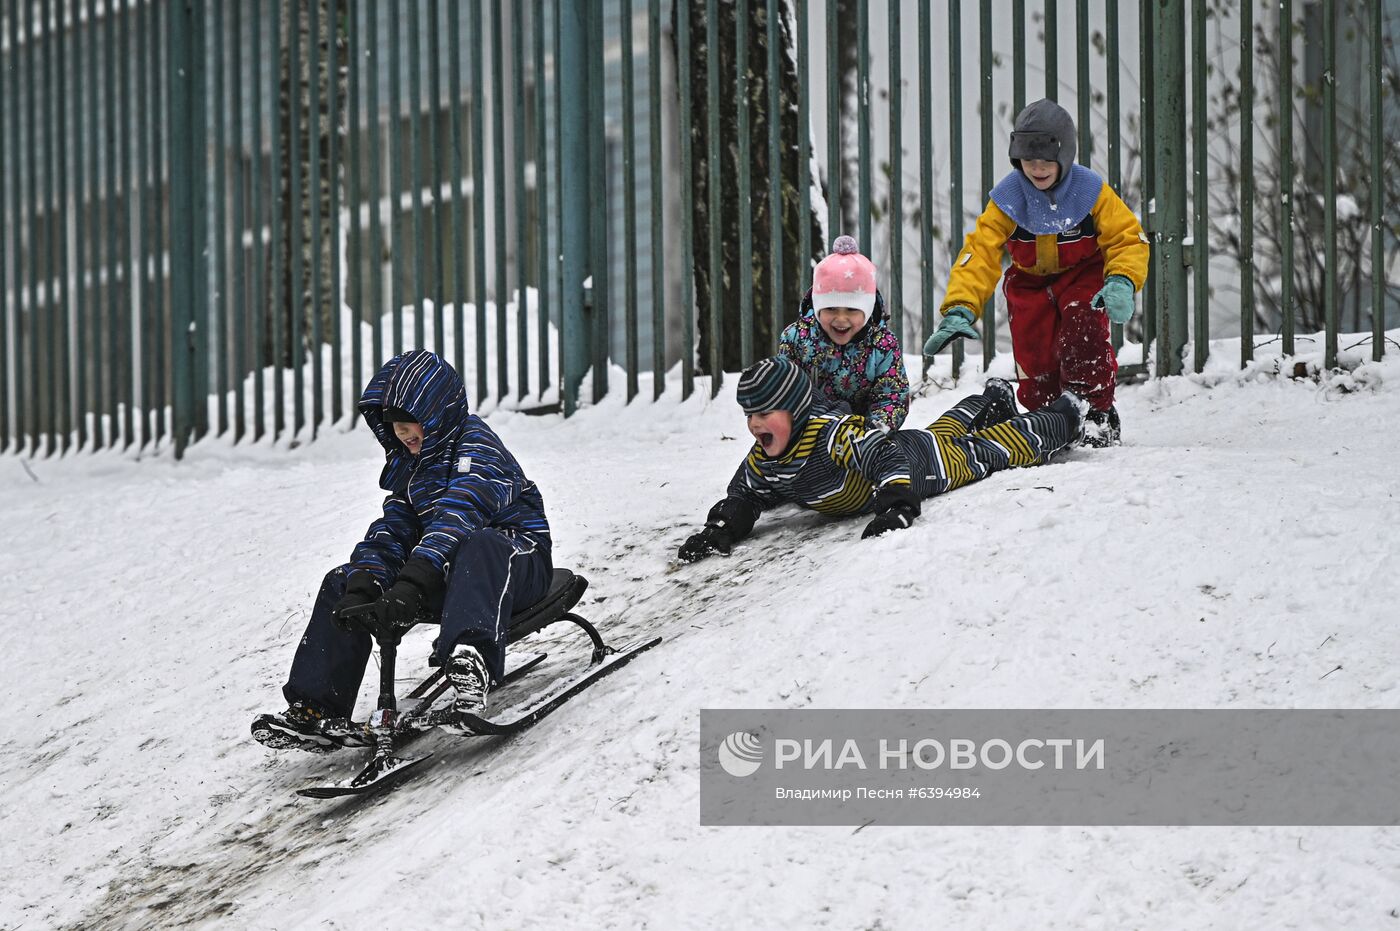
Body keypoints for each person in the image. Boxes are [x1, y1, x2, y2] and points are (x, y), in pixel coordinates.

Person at [253, 350, 552, 751]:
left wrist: (414, 582)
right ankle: (315, 707)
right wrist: (366, 581)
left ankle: (470, 658)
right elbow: (395, 527)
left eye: (412, 423)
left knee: (481, 544)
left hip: (516, 564)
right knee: (343, 580)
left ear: (437, 413)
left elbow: (457, 518)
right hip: (450, 573)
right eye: (394, 427)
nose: (404, 435)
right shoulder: (411, 466)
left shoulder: (478, 451)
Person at [677, 356, 1083, 561]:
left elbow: (883, 456)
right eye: (749, 415)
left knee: (984, 452)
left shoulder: (831, 433)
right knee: (940, 432)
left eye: (764, 414)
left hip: (916, 467)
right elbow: (746, 493)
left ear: (796, 409)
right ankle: (991, 399)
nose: (753, 425)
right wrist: (722, 529)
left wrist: (896, 506)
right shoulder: (767, 457)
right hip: (913, 444)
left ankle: (1066, 418)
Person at [922, 98, 1150, 446]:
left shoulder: (1091, 192)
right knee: (1035, 353)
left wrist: (1121, 279)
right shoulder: (1008, 199)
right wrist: (960, 307)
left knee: (1082, 324)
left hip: (1082, 274)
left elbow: (1127, 237)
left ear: (1064, 156)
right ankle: (1048, 417)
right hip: (1029, 282)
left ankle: (1095, 412)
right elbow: (979, 252)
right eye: (1029, 160)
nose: (1037, 168)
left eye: (1046, 161)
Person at [779, 235, 910, 432]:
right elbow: (785, 391)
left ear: (867, 309)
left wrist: (875, 429)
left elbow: (891, 396)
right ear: (817, 307)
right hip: (809, 434)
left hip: (863, 436)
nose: (841, 319)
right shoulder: (796, 339)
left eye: (851, 310)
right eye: (831, 309)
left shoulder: (883, 344)